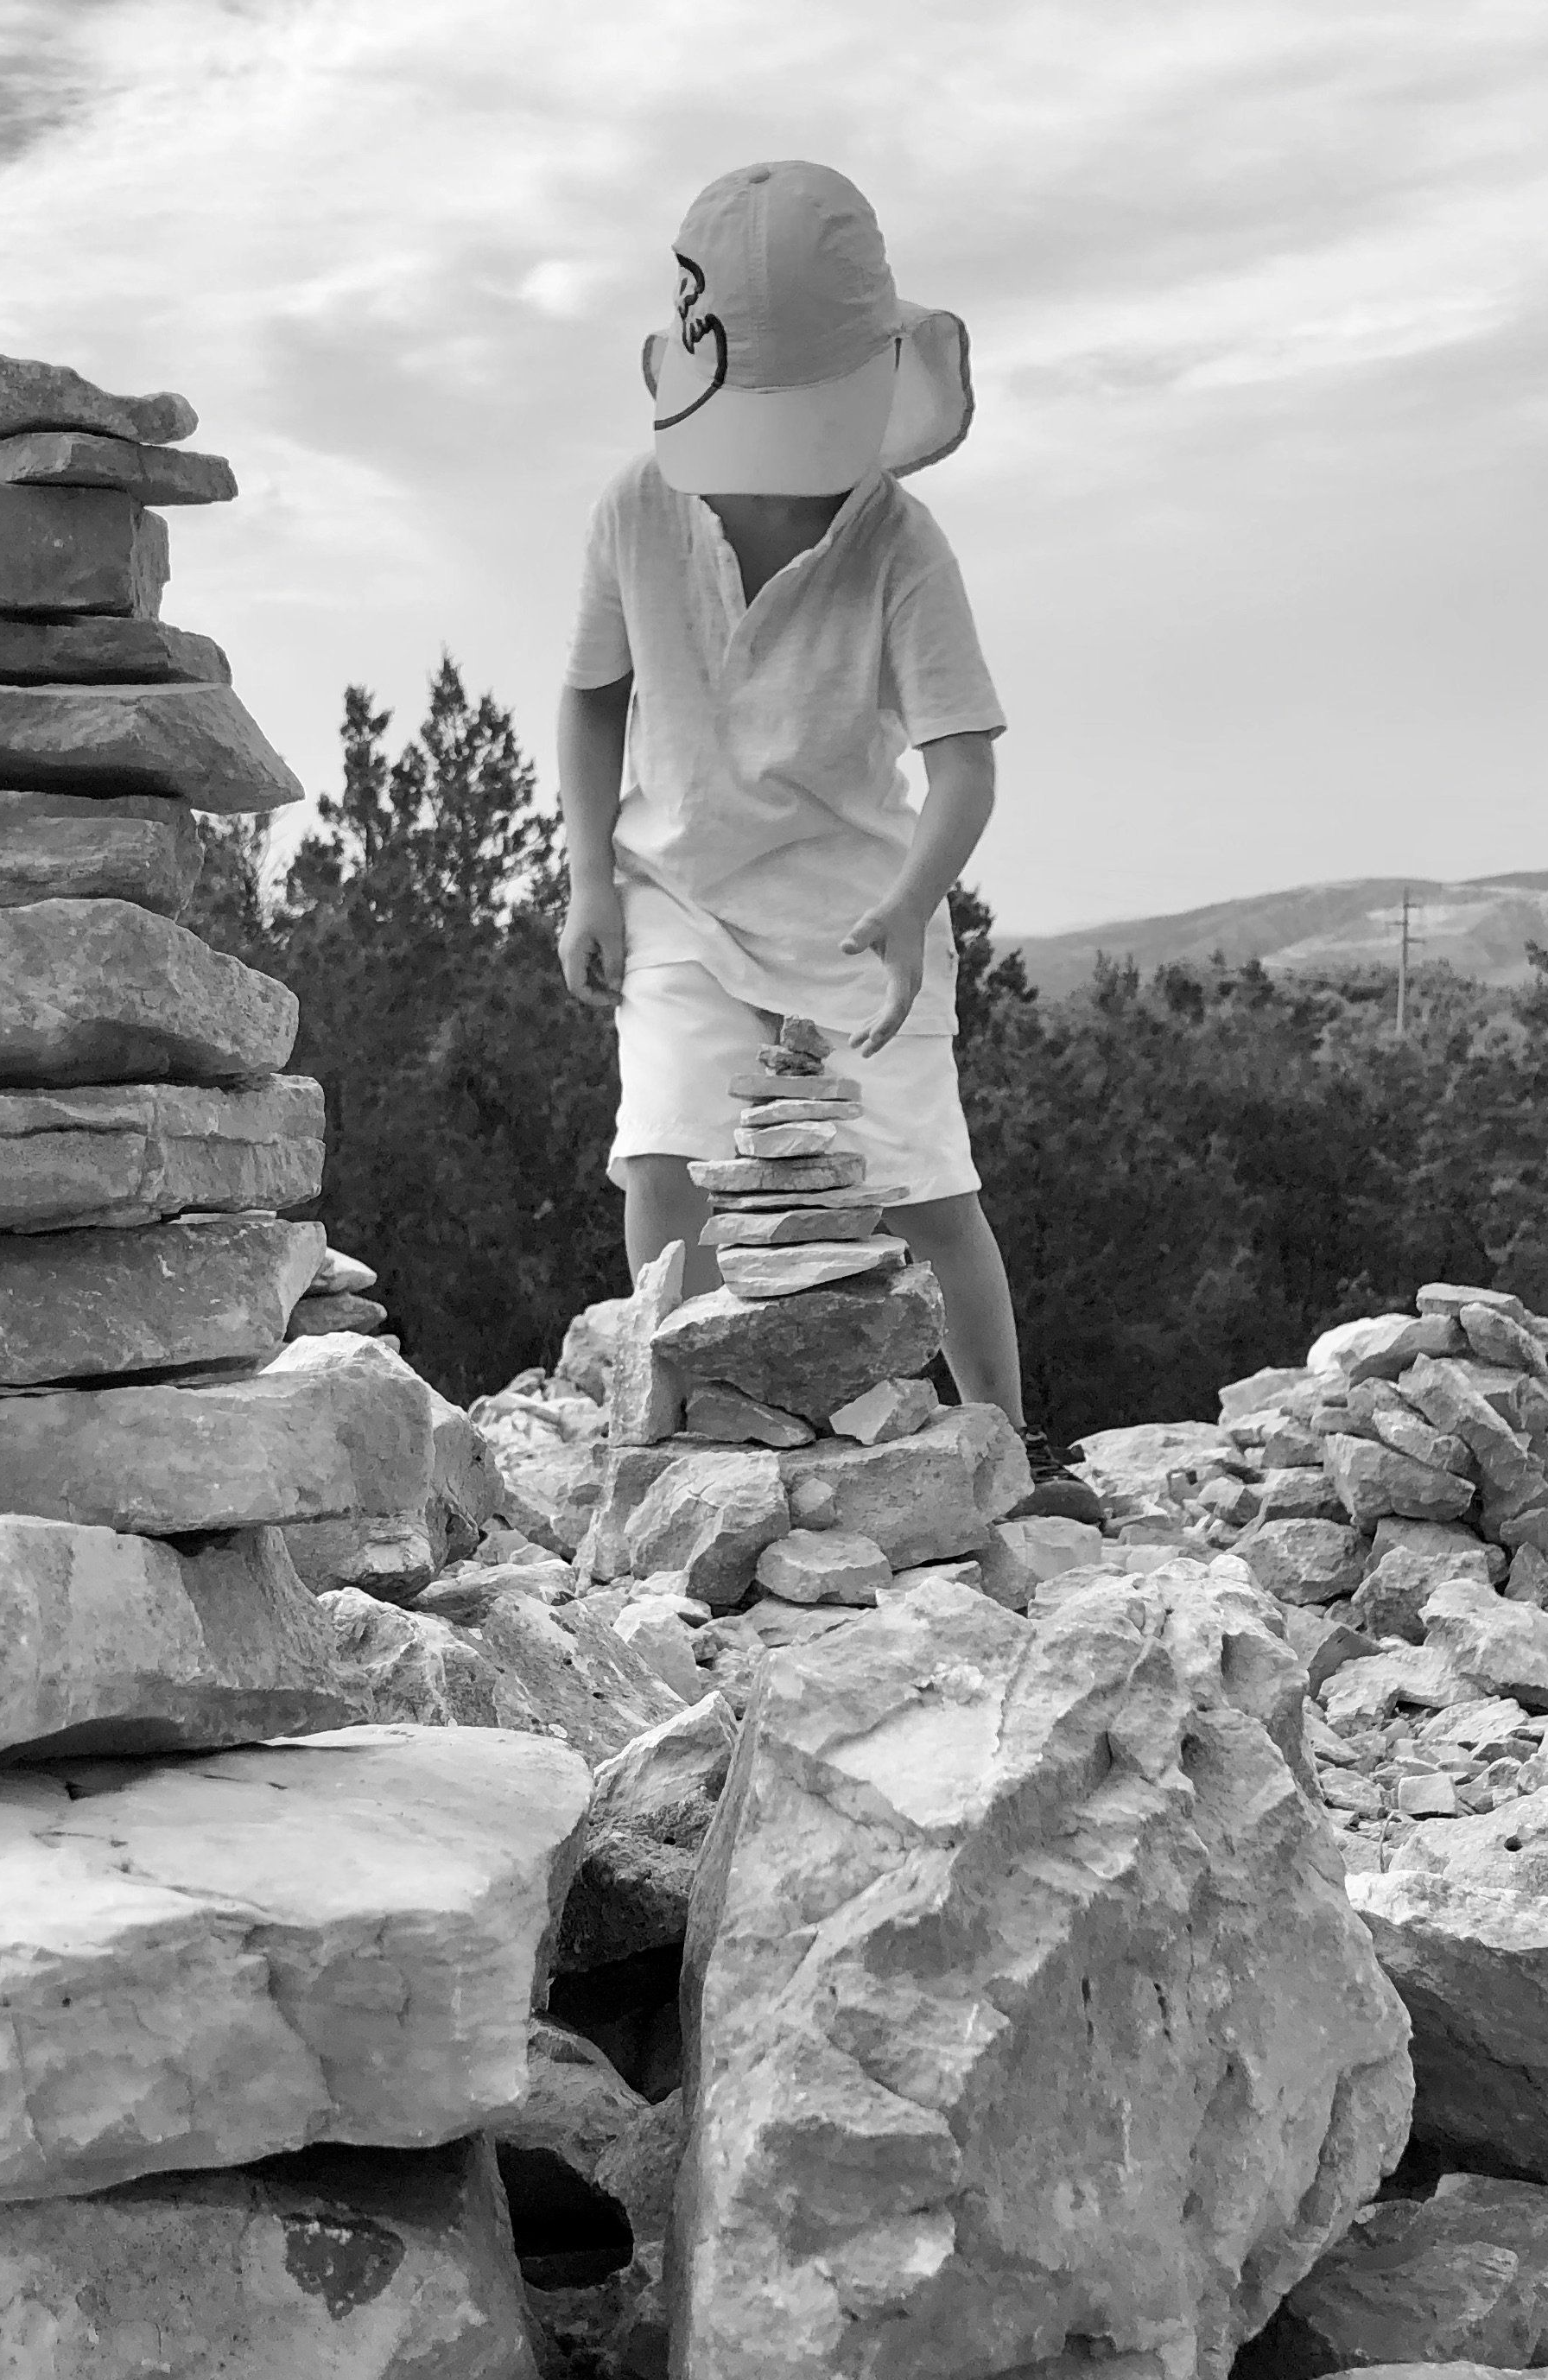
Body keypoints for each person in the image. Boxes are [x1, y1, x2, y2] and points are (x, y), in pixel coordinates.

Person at [557, 159, 1093, 1513]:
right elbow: (592, 695)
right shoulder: (635, 506)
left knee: (924, 1189)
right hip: (677, 890)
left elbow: (963, 767)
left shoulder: (903, 546)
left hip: (865, 916)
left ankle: (1006, 1444)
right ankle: (664, 1429)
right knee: (669, 1154)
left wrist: (916, 903)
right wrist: (587, 884)